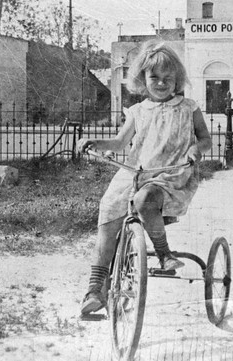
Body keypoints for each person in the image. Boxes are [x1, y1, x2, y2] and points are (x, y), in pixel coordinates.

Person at [77, 40, 212, 315]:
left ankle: (164, 254)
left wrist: (197, 150)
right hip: (136, 171)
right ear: (142, 79)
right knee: (109, 211)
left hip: (171, 173)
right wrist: (95, 142)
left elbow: (205, 139)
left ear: (177, 80)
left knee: (145, 198)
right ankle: (95, 287)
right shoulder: (138, 111)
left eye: (167, 78)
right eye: (154, 78)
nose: (161, 83)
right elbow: (118, 142)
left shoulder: (188, 108)